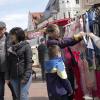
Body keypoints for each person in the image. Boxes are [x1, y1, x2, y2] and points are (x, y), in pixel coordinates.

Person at [46, 24, 84, 100]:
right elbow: (63, 43)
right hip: (61, 68)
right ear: (50, 33)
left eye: (58, 31)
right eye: (56, 32)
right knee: (65, 87)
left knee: (68, 86)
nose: (58, 33)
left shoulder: (57, 40)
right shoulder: (50, 42)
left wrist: (79, 38)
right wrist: (77, 37)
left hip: (67, 67)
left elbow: (68, 41)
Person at [8, 27, 33, 100]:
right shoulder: (10, 48)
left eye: (13, 34)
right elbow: (9, 63)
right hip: (14, 77)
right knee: (17, 97)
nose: (11, 36)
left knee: (23, 96)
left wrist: (25, 77)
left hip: (24, 75)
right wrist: (9, 76)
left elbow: (29, 62)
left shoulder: (26, 46)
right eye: (10, 34)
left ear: (18, 35)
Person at [0, 21, 17, 100]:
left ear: (4, 29)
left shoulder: (10, 39)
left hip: (9, 70)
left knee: (14, 90)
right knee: (0, 92)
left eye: (0, 29)